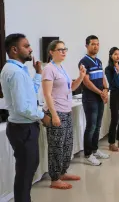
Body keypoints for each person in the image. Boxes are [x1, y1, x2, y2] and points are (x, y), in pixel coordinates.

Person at [0, 34, 46, 202]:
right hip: (23, 128)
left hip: (24, 126)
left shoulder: (18, 70)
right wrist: (42, 116)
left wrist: (38, 73)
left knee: (28, 170)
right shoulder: (15, 73)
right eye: (26, 46)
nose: (31, 49)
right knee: (25, 174)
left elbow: (30, 94)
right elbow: (22, 108)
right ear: (14, 49)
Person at [42, 40, 86, 189]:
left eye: (64, 49)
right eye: (60, 49)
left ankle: (62, 172)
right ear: (51, 52)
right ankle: (55, 178)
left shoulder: (62, 68)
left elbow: (71, 88)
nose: (63, 52)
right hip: (56, 111)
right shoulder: (48, 69)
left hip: (66, 111)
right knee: (56, 146)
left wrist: (81, 77)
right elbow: (47, 94)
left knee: (67, 144)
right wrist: (54, 115)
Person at [78, 35, 110, 166]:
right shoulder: (83, 62)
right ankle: (88, 154)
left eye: (97, 44)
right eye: (92, 44)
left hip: (99, 97)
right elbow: (86, 81)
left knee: (98, 126)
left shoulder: (99, 61)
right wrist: (100, 92)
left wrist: (106, 89)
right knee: (91, 126)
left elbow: (102, 77)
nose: (95, 46)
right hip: (90, 98)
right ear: (86, 45)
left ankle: (95, 150)